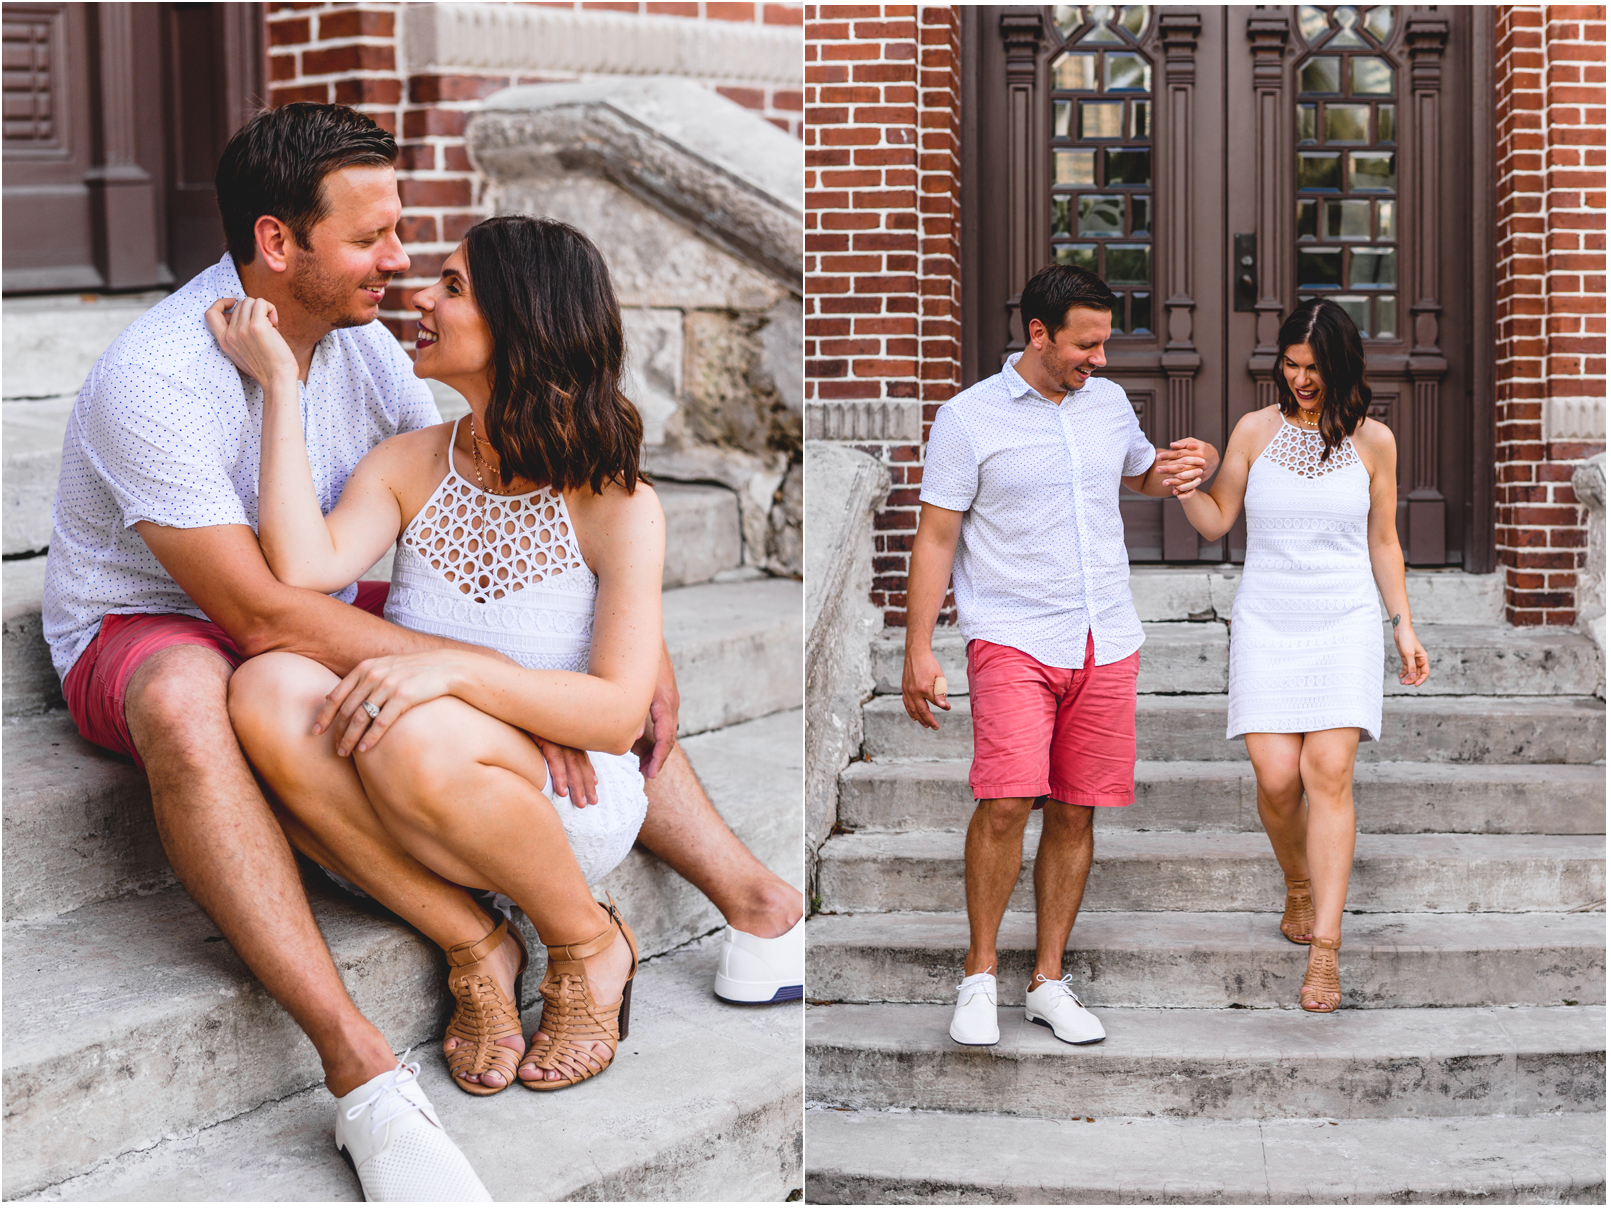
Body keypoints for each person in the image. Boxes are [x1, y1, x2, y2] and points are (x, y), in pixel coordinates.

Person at [40, 103, 800, 1202]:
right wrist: (501, 688)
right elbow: (260, 612)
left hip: (317, 597)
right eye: (372, 239)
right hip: (157, 620)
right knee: (209, 690)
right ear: (275, 243)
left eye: (410, 242)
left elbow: (504, 516)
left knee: (557, 662)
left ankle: (747, 902)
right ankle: (367, 1062)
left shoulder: (365, 347)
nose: (399, 265)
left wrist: (615, 645)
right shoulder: (154, 376)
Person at [215, 212, 658, 1101]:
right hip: (407, 775)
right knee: (264, 690)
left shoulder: (615, 499)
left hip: (558, 797)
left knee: (415, 731)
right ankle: (475, 942)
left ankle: (584, 939)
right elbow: (300, 568)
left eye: (452, 287)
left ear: (523, 322)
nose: (419, 295)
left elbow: (614, 716)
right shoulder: (410, 462)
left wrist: (453, 673)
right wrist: (280, 386)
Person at [900, 264, 1213, 1048]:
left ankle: (1046, 979)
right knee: (1007, 799)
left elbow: (1134, 472)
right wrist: (917, 648)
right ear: (1037, 333)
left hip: (1105, 634)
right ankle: (977, 977)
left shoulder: (1107, 403)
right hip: (1011, 633)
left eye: (1104, 343)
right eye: (1085, 344)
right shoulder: (968, 418)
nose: (1099, 360)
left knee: (1075, 809)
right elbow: (936, 535)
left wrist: (1169, 471)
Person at [1172, 297, 1429, 1013]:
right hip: (1268, 618)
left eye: (1313, 368)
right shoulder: (1254, 430)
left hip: (1342, 618)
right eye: (1289, 365)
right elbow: (1217, 520)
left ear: (1341, 365)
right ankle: (1296, 877)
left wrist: (1401, 624)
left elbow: (1383, 540)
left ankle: (1324, 949)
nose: (1299, 380)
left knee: (1328, 769)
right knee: (1276, 775)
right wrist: (1187, 487)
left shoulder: (1374, 441)